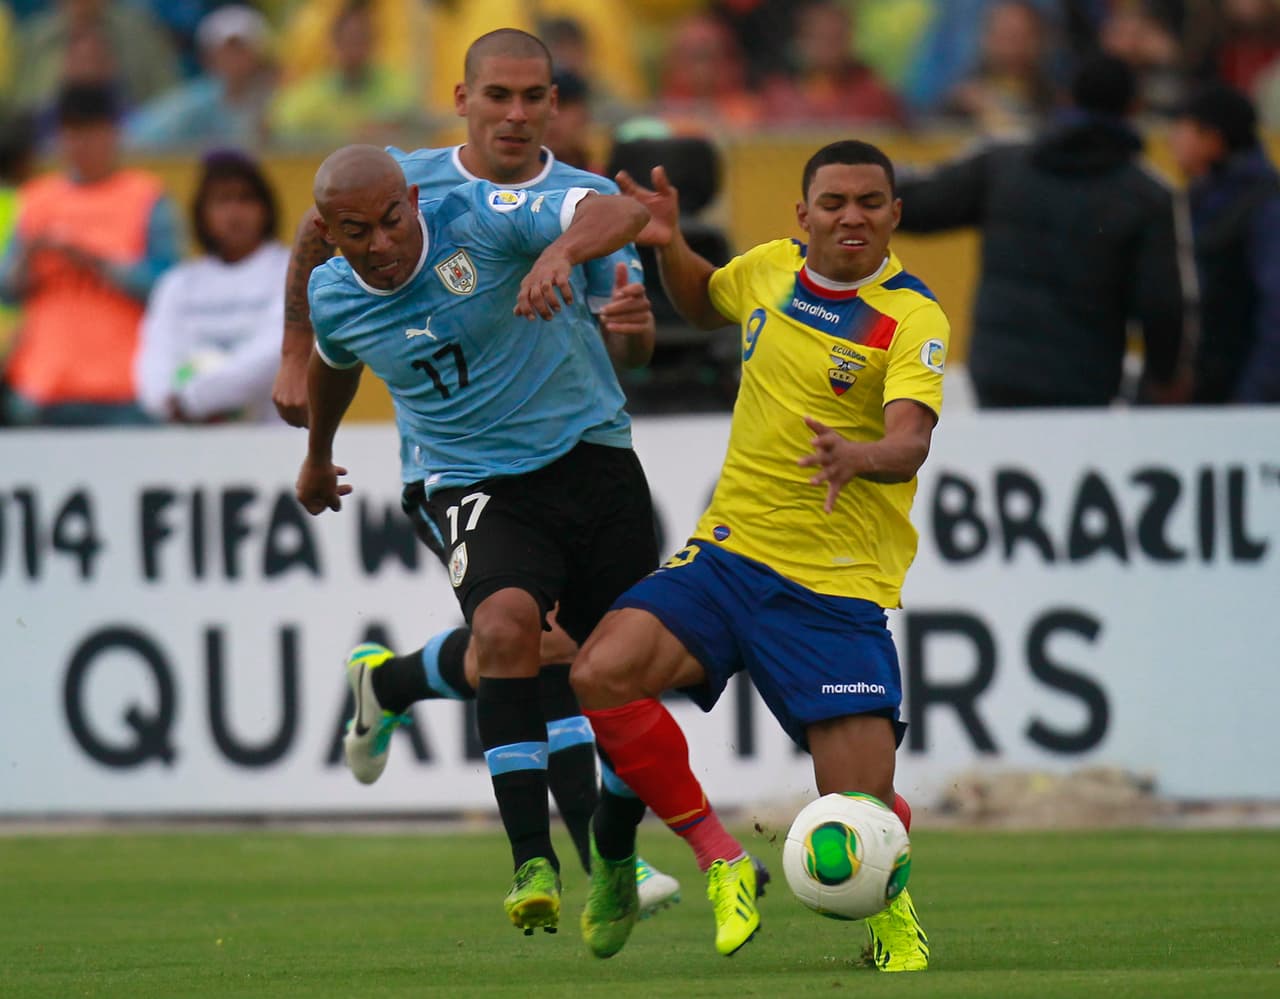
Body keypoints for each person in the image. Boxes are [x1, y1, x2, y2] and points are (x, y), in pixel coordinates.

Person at [273, 28, 692, 922]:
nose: (513, 112)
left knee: (581, 652)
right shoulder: (406, 182)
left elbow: (636, 312)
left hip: (585, 448)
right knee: (525, 634)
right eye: (495, 95)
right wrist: (300, 380)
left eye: (531, 96)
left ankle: (389, 683)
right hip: (459, 471)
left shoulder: (545, 204)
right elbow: (321, 266)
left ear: (553, 105)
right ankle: (563, 863)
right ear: (461, 97)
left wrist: (604, 302)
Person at [570, 139, 941, 970]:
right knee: (601, 671)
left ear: (894, 215)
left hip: (832, 590)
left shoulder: (911, 316)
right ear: (802, 213)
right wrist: (670, 247)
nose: (852, 216)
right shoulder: (772, 268)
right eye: (835, 201)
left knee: (861, 807)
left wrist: (858, 456)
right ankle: (720, 858)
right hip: (729, 557)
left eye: (871, 202)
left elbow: (909, 442)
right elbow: (704, 304)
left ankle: (890, 915)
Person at [895, 53, 1185, 407]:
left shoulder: (1002, 163)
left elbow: (918, 206)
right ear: (1134, 107)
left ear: (1065, 97)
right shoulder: (1147, 195)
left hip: (998, 367)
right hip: (1086, 375)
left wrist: (859, 186)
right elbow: (1162, 304)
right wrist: (1164, 376)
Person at [0, 82, 181, 426]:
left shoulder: (147, 197)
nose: (80, 144)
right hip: (41, 388)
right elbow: (7, 290)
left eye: (90, 132)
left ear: (113, 133)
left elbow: (168, 287)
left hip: (124, 389)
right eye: (71, 132)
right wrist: (29, 257)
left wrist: (91, 260)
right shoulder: (36, 199)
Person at [134, 151, 290, 424]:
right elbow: (156, 359)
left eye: (245, 199)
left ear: (266, 208)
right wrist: (167, 400)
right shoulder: (178, 283)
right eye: (221, 201)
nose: (234, 212)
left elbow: (276, 351)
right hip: (195, 443)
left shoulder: (292, 271)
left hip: (274, 439)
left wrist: (196, 397)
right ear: (202, 212)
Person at [1170, 82, 1280, 403]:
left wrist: (1254, 398)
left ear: (1213, 139)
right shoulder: (1196, 199)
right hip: (1207, 391)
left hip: (1241, 399)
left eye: (1182, 128)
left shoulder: (1266, 208)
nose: (1171, 139)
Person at [125, 5, 276, 152]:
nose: (234, 59)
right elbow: (138, 137)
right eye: (226, 50)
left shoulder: (276, 98)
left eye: (241, 49)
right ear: (208, 56)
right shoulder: (193, 102)